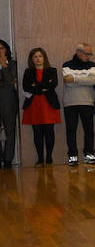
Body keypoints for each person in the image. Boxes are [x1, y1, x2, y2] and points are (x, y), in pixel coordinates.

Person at [21, 47, 61, 165]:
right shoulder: (28, 72)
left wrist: (36, 86)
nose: (38, 59)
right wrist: (43, 87)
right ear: (32, 59)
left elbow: (53, 84)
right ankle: (40, 158)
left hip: (49, 105)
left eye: (40, 56)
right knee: (37, 132)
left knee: (49, 131)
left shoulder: (52, 70)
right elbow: (26, 87)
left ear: (44, 58)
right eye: (35, 57)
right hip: (34, 105)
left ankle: (49, 157)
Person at [60, 43, 95, 165]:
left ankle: (89, 154)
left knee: (89, 130)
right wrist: (83, 78)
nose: (89, 56)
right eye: (87, 54)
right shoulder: (66, 65)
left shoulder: (92, 66)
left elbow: (92, 80)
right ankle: (72, 156)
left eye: (90, 54)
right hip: (70, 102)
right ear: (78, 52)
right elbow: (67, 82)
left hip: (87, 101)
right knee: (71, 130)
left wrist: (75, 78)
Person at [0, 39, 17, 168]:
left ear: (6, 50)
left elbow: (11, 80)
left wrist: (3, 64)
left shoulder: (12, 64)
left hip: (8, 101)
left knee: (10, 130)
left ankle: (8, 159)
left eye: (1, 48)